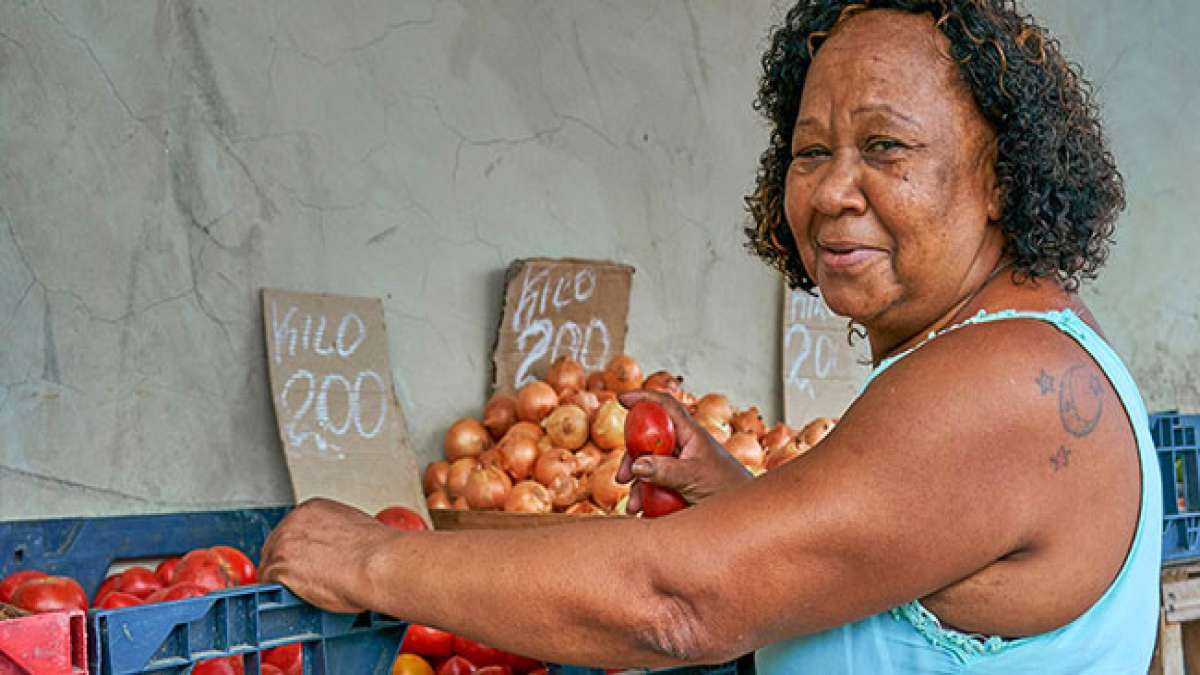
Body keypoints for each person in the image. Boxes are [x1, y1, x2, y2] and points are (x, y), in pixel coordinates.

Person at [259, 1, 1162, 671]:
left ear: (1002, 175)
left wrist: (376, 559)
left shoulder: (1005, 382)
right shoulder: (1021, 349)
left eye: (886, 148)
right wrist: (743, 503)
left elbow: (673, 602)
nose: (834, 190)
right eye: (812, 152)